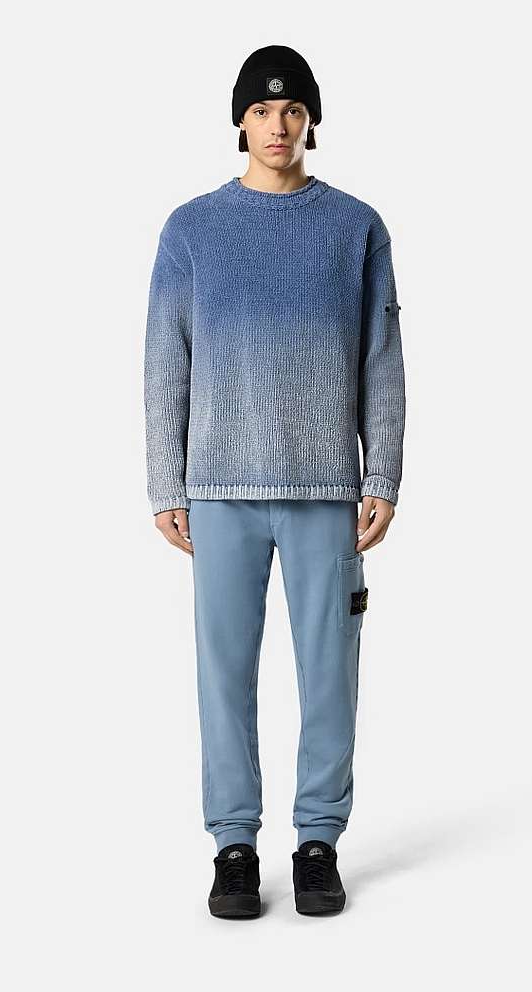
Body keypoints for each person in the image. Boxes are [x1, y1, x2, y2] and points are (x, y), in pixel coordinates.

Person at [143, 45, 406, 918]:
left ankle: (318, 841)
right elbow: (165, 358)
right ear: (240, 121)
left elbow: (382, 358)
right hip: (218, 486)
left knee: (330, 672)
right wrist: (167, 482)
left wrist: (383, 471)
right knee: (223, 674)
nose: (278, 124)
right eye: (262, 110)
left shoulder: (356, 228)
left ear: (311, 120)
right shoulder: (192, 230)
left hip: (326, 487)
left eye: (292, 110)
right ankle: (234, 847)